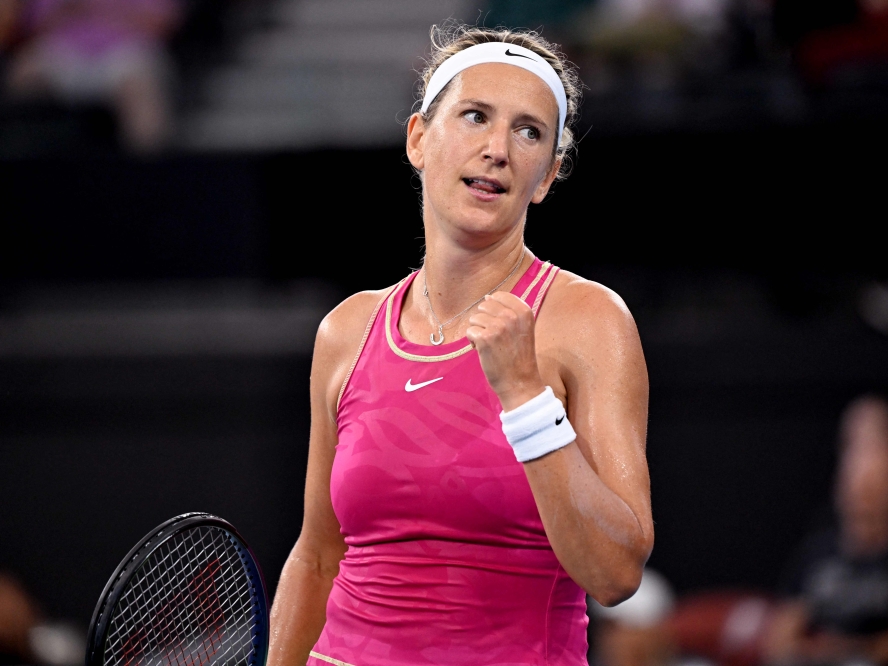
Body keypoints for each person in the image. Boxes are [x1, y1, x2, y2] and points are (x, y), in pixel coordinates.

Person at [265, 24, 654, 666]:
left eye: (528, 131)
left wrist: (527, 399)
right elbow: (316, 557)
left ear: (547, 176)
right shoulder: (346, 331)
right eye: (475, 116)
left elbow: (615, 573)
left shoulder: (590, 320)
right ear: (419, 138)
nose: (497, 149)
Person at [766, 396, 888, 666]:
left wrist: (837, 649)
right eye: (854, 491)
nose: (861, 503)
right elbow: (778, 641)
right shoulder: (815, 552)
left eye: (872, 492)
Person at [4, 0, 181, 153]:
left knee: (142, 89)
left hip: (127, 50)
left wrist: (94, 13)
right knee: (24, 74)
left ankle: (147, 176)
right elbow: (37, 25)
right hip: (64, 49)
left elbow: (159, 23)